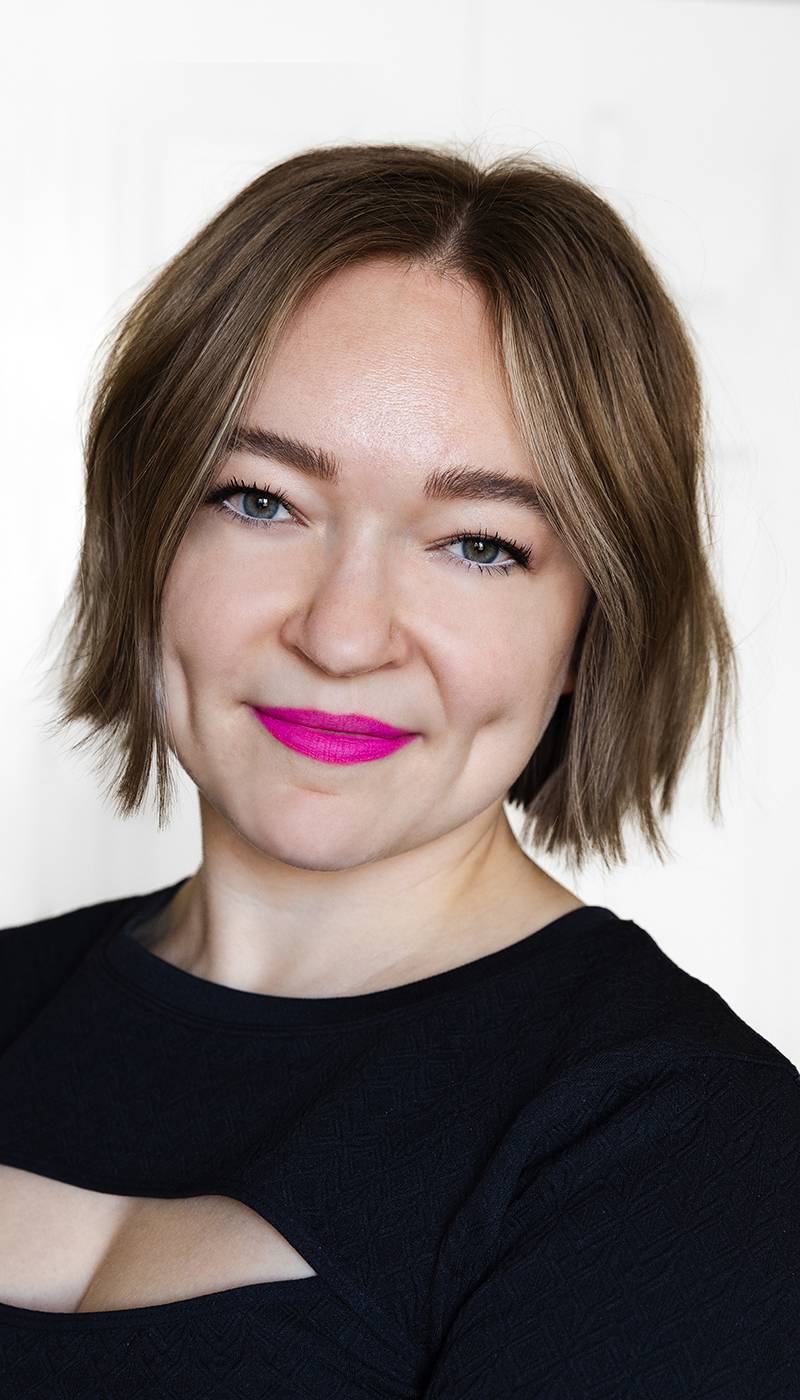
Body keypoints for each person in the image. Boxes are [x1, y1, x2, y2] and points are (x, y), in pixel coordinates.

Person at [1, 140, 797, 1398]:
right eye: (261, 500)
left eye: (477, 543)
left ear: (593, 623)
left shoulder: (687, 1139)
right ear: (143, 530)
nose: (341, 633)